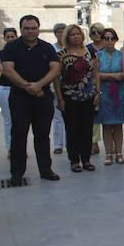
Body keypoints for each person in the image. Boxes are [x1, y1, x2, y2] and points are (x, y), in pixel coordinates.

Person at [0, 15, 61, 184]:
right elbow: (7, 70)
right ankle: (17, 173)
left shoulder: (47, 48)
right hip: (20, 98)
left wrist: (39, 85)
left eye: (34, 28)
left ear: (38, 29)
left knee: (42, 135)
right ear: (21, 29)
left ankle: (46, 170)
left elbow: (55, 69)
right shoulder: (11, 47)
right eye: (27, 28)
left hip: (43, 97)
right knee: (19, 135)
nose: (30, 31)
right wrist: (28, 86)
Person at [54, 24, 99, 173]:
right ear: (67, 37)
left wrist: (97, 93)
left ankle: (86, 159)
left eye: (78, 34)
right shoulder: (61, 55)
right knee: (72, 129)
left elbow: (96, 74)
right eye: (72, 34)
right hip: (69, 97)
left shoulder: (90, 52)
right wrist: (59, 98)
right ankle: (74, 160)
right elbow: (56, 77)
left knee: (86, 129)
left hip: (87, 96)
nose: (76, 37)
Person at [95, 28, 124, 165]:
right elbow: (96, 75)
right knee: (106, 125)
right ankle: (108, 153)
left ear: (116, 39)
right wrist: (113, 76)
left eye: (112, 38)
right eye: (106, 38)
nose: (109, 41)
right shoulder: (97, 56)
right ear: (102, 40)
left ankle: (119, 152)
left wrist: (114, 76)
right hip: (104, 93)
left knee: (118, 124)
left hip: (119, 93)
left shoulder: (121, 55)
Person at [0, 27, 19, 159]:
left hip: (19, 88)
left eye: (12, 36)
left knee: (20, 120)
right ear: (5, 38)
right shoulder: (0, 53)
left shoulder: (21, 52)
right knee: (8, 120)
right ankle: (11, 148)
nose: (10, 39)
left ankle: (20, 147)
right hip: (5, 88)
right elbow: (3, 70)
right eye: (8, 37)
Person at [87, 22, 106, 154]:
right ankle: (94, 142)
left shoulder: (108, 46)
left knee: (109, 115)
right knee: (94, 115)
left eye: (99, 32)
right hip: (93, 84)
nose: (96, 35)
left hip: (110, 85)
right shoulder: (87, 49)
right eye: (93, 32)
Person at [51, 22, 67, 155]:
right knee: (57, 116)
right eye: (58, 31)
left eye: (63, 31)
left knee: (71, 116)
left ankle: (70, 143)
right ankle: (58, 144)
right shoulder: (51, 49)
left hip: (70, 86)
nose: (61, 34)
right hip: (55, 85)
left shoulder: (72, 48)